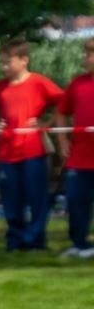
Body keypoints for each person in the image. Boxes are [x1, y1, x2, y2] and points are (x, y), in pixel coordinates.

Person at [0, 38, 62, 253]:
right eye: (2, 62)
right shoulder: (1, 87)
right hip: (6, 153)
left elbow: (63, 102)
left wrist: (46, 123)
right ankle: (15, 240)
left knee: (37, 199)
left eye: (8, 62)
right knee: (11, 201)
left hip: (32, 151)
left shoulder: (38, 82)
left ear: (24, 60)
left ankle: (36, 240)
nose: (4, 67)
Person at [55, 37, 94, 258]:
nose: (85, 59)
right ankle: (79, 244)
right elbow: (61, 112)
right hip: (80, 157)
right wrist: (62, 140)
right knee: (76, 201)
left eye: (89, 54)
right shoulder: (77, 84)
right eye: (85, 54)